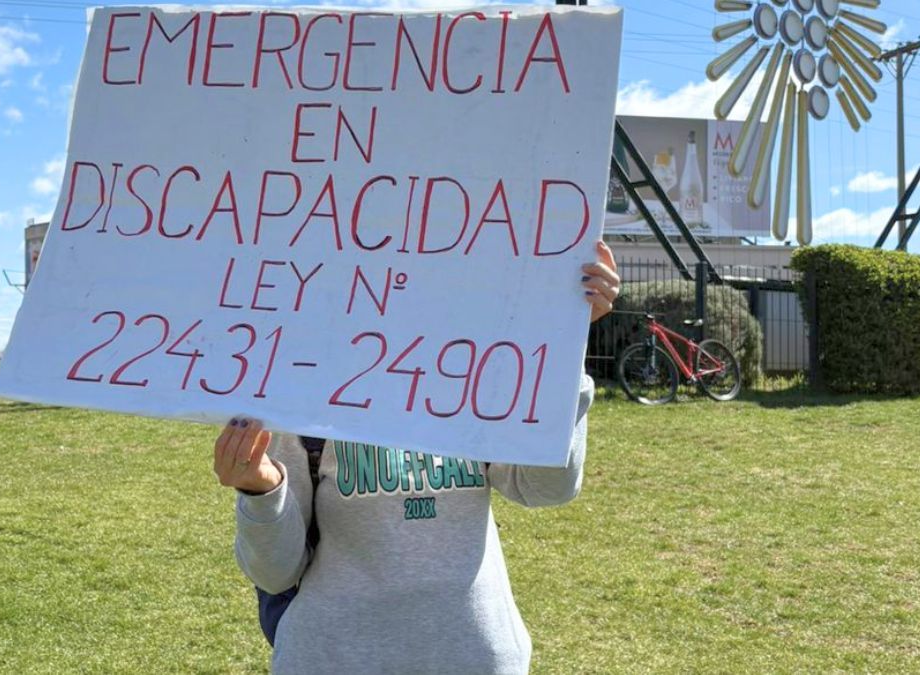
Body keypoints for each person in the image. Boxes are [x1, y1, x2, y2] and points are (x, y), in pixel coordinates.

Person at [213, 241, 620, 674]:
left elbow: (545, 488)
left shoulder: (477, 363)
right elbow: (276, 573)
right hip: (332, 658)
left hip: (474, 657)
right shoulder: (300, 385)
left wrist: (564, 343)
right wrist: (260, 490)